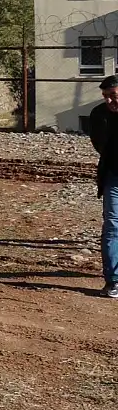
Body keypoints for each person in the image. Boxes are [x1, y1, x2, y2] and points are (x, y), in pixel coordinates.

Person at [87, 75, 118, 299]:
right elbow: (98, 143)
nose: (109, 101)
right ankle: (114, 280)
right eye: (106, 97)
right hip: (113, 177)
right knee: (112, 226)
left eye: (113, 96)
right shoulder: (99, 114)